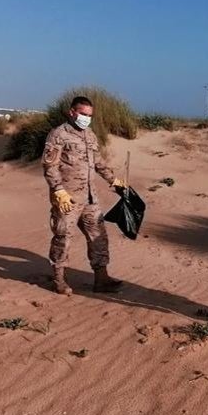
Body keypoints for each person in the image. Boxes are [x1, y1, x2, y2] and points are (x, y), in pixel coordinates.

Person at [41, 96, 125, 295]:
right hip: (67, 198)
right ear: (72, 112)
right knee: (63, 237)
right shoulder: (58, 134)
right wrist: (58, 190)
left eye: (89, 115)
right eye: (83, 114)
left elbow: (98, 162)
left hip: (90, 198)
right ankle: (59, 279)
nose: (86, 118)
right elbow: (49, 166)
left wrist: (114, 180)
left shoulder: (90, 135)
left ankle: (101, 279)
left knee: (99, 237)